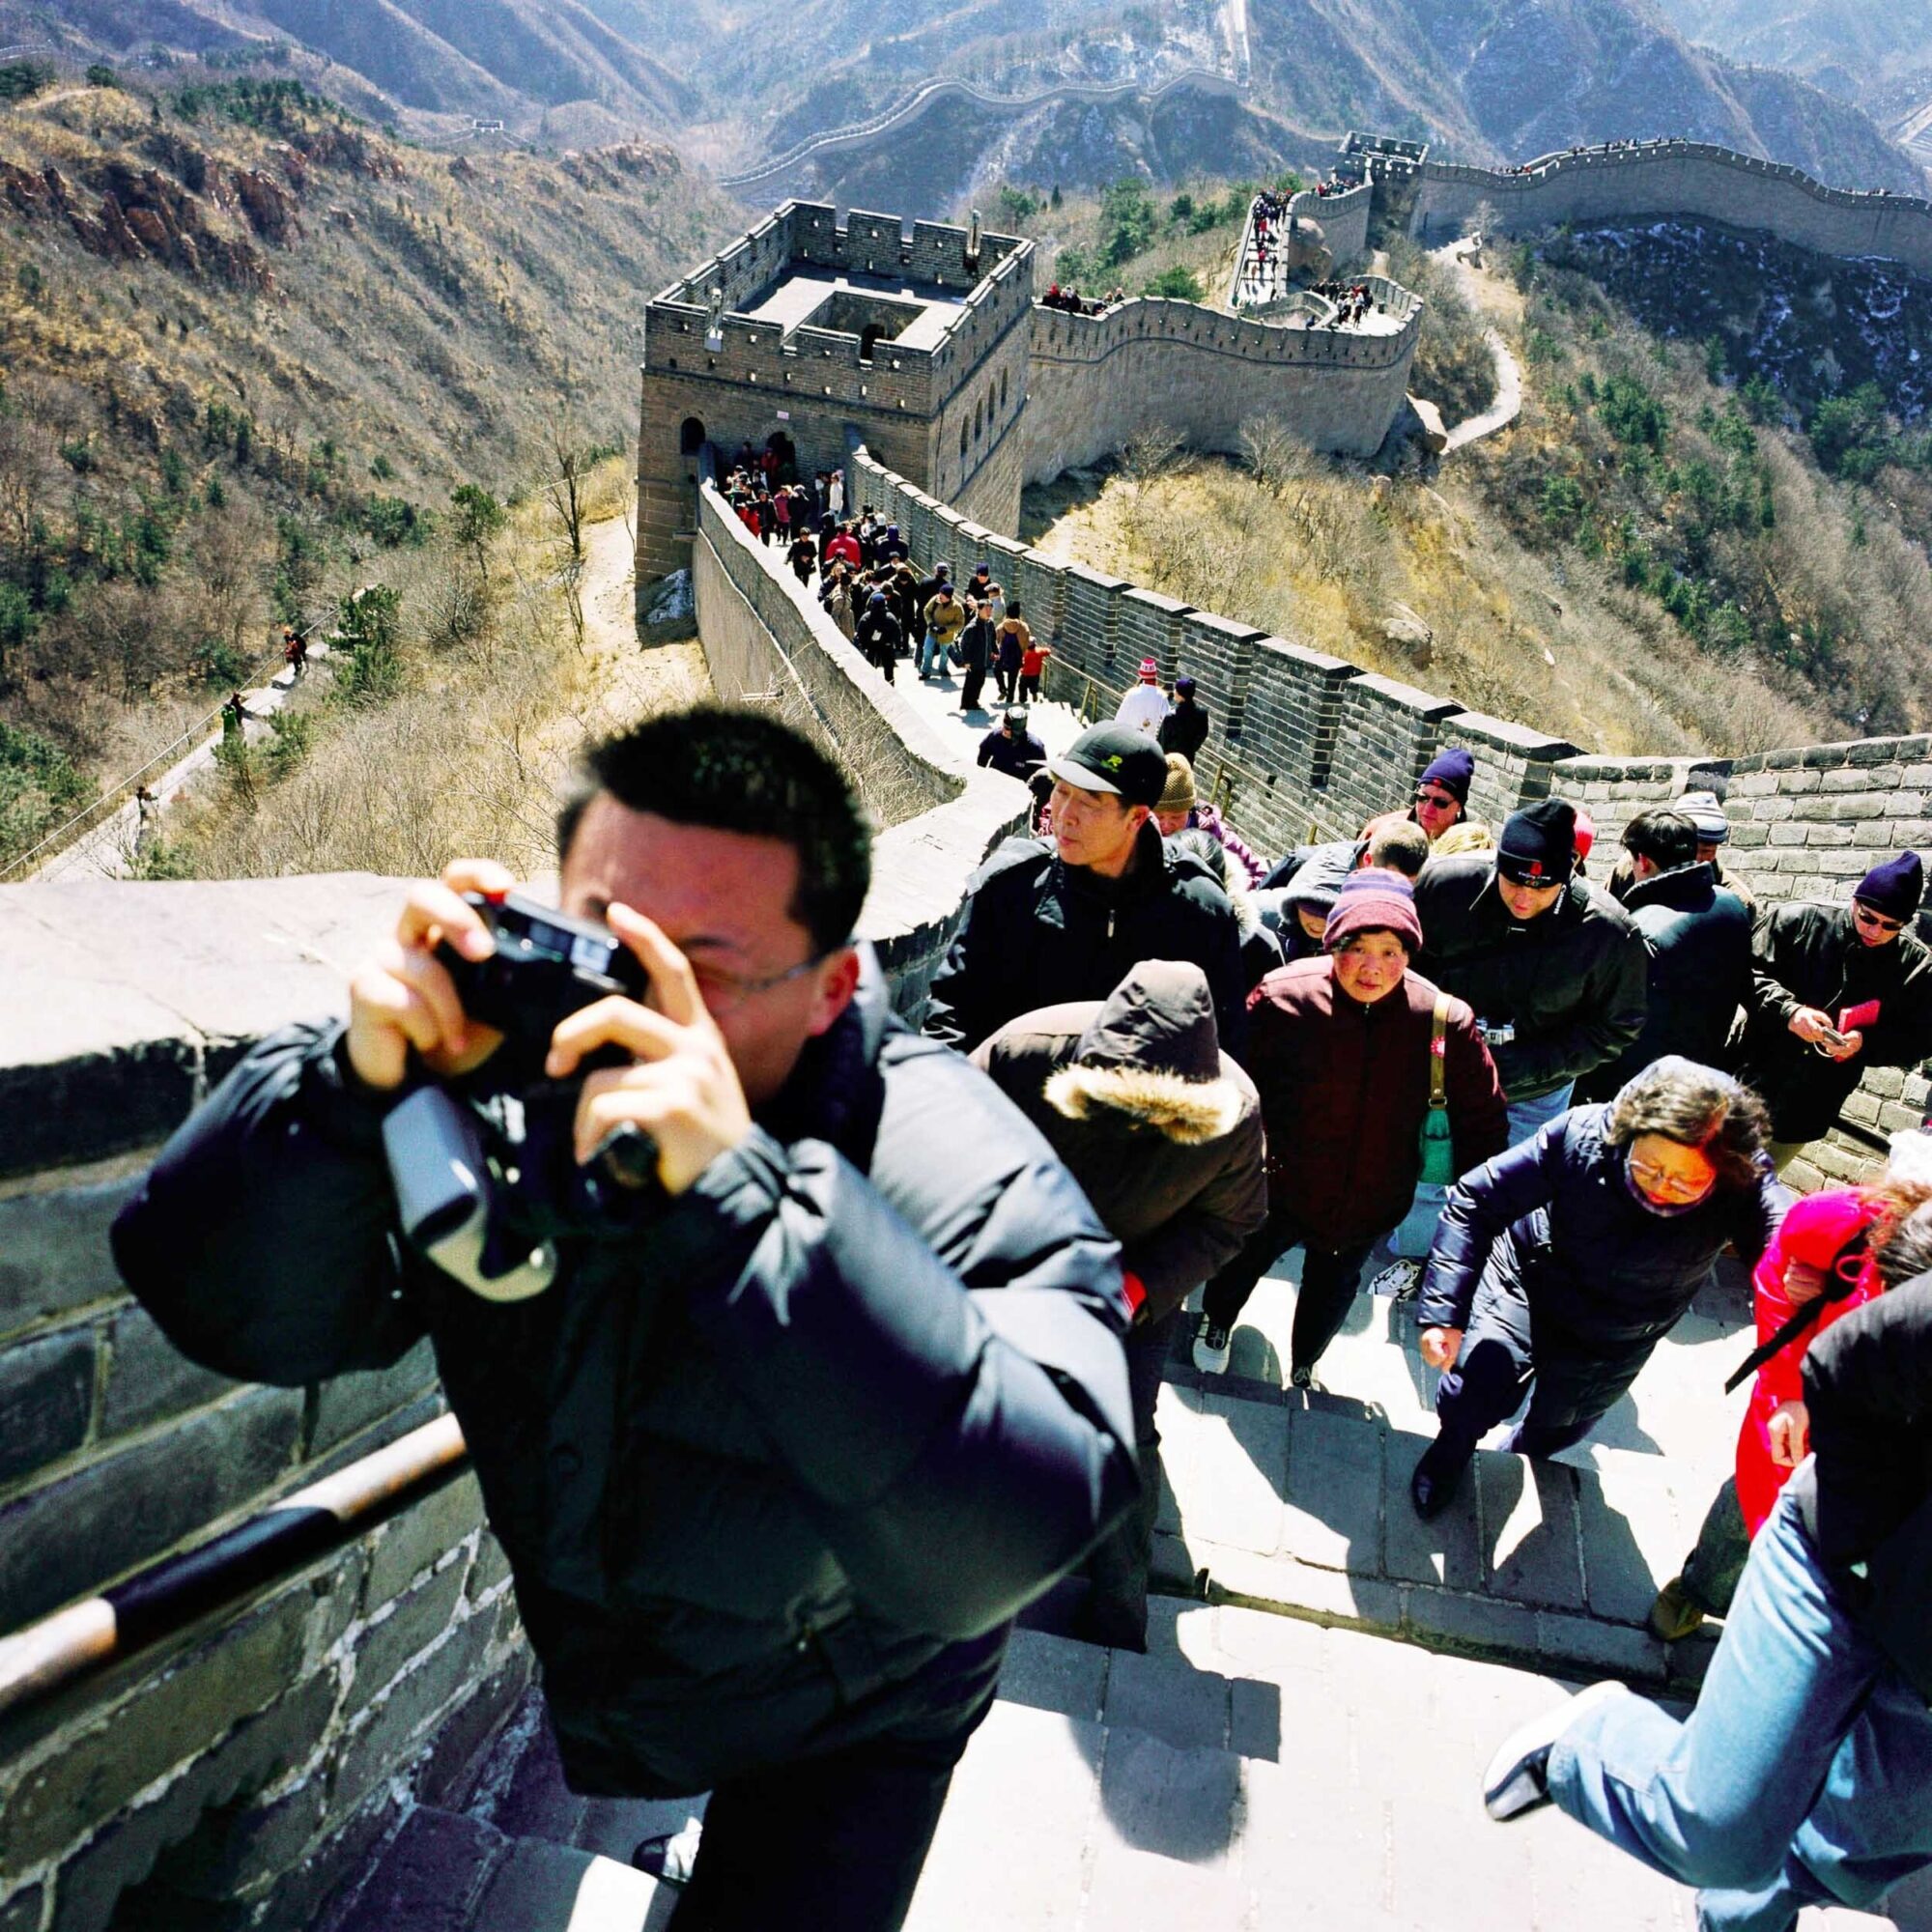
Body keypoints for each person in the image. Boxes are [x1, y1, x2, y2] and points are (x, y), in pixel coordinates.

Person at [110, 706, 1138, 1932]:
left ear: (833, 990)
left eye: (697, 968)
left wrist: (745, 1200)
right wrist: (337, 1093)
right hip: (660, 1642)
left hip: (866, 1697)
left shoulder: (949, 1161)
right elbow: (232, 1316)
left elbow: (1016, 1524)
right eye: (594, 940)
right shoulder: (513, 1082)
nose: (628, 1010)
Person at [1483, 1252, 1932, 1932]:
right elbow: (1851, 1358)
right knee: (1714, 1831)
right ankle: (1590, 1742)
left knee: (1842, 1857)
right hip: (1845, 1561)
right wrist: (1874, 1538)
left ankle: (1739, 1916)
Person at [973, 961, 1267, 1651]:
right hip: (1010, 1267)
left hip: (1132, 1290)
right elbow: (941, 1151)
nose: (1140, 1124)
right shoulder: (1024, 1054)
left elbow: (1231, 1223)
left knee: (1126, 1437)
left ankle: (1118, 1611)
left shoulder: (1233, 1114)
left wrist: (1138, 1288)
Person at [1409, 1058, 1785, 1518]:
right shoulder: (1583, 1135)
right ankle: (1449, 1455)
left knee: (1562, 1425)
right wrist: (1444, 1311)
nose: (1662, 1188)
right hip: (1531, 1278)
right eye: (1648, 1168)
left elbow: (1789, 1257)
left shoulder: (1743, 1178)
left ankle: (1522, 1453)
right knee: (1474, 1387)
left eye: (1687, 1181)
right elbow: (1476, 1200)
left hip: (1625, 1326)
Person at [1192, 870, 1507, 1385]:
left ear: (1410, 953)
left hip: (1371, 1196)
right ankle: (1216, 1323)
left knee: (1334, 1288)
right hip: (1278, 1184)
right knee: (1241, 1262)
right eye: (1356, 947)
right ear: (1332, 941)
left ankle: (1304, 1363)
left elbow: (1484, 1120)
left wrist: (1483, 1212)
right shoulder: (1283, 997)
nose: (1372, 967)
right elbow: (1232, 1081)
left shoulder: (1443, 1020)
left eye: (1390, 951)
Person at [1648, 1126, 1932, 1641]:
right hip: (1810, 1402)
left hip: (1900, 1450)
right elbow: (1780, 1262)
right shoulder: (1853, 1218)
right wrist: (1788, 1392)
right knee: (1749, 1506)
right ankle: (1702, 1589)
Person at [925, 723, 1248, 1058]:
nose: (1065, 815)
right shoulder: (1014, 887)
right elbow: (951, 1014)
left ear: (1137, 818)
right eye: (1061, 791)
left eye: (1089, 803)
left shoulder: (1198, 911)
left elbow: (1222, 1044)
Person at [1412, 798, 1648, 1148]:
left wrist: (1532, 1064)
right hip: (1435, 1071)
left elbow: (1619, 1025)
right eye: (1513, 882)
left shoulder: (1607, 932)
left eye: (1541, 887)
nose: (1524, 897)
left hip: (1533, 1093)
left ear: (1567, 877)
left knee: (1503, 1193)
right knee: (1422, 1185)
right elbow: (1405, 967)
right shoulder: (1446, 886)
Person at [1733, 853, 1932, 1172]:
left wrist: (1865, 1043)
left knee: (1756, 1190)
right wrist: (1789, 1011)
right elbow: (1742, 973)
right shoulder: (1800, 919)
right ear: (1855, 902)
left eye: (1890, 925)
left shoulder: (1916, 965)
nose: (1875, 931)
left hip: (1811, 1101)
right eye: (1868, 917)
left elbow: (1919, 1037)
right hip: (1748, 1074)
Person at [1574, 808, 1751, 1103]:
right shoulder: (1731, 904)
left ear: (1642, 860)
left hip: (1638, 1089)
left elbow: (1613, 1023)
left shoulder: (1640, 931)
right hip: (1697, 1079)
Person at [1151, 754, 1265, 886]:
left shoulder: (1218, 837)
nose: (1166, 824)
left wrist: (1227, 891)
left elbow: (1260, 876)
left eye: (1176, 816)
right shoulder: (1137, 830)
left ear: (1190, 809)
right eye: (1158, 816)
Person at [1363, 748, 1476, 848]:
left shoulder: (1470, 851)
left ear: (1459, 807)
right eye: (1423, 797)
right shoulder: (1382, 831)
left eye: (1441, 803)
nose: (1428, 809)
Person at [977, 706, 1045, 784]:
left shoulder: (1035, 748)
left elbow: (1042, 775)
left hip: (1018, 790)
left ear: (1018, 730)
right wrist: (981, 776)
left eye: (1008, 728)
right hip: (995, 784)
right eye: (1004, 726)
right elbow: (983, 752)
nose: (1004, 730)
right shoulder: (995, 736)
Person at [919, 582, 965, 682]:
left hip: (947, 635)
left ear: (949, 597)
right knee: (927, 650)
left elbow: (960, 623)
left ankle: (943, 669)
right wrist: (930, 623)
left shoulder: (957, 607)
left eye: (942, 596)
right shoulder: (935, 600)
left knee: (944, 653)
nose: (940, 597)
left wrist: (946, 628)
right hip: (932, 632)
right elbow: (926, 610)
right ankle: (925, 671)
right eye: (940, 594)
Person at [1158, 674, 1209, 762]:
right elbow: (1201, 736)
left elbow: (1162, 742)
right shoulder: (1202, 714)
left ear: (1181, 695)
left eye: (1176, 690)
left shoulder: (1171, 717)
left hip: (1169, 759)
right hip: (1188, 759)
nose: (1174, 692)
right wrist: (1190, 750)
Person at [854, 588, 901, 684]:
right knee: (889, 673)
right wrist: (897, 646)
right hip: (887, 647)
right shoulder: (890, 618)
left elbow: (860, 633)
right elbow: (897, 633)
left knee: (870, 672)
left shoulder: (866, 618)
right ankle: (889, 691)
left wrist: (864, 645)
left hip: (871, 647)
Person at [956, 596, 994, 714]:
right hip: (973, 660)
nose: (989, 612)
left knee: (980, 681)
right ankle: (966, 704)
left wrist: (995, 651)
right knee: (971, 682)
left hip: (984, 659)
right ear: (979, 610)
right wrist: (966, 661)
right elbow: (964, 645)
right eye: (986, 610)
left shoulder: (990, 623)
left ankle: (974, 701)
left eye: (990, 609)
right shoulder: (972, 627)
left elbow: (992, 639)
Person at [1115, 659, 1171, 738]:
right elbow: (1168, 719)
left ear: (1140, 675)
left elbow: (1119, 719)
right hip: (1150, 740)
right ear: (1155, 676)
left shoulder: (1131, 694)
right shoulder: (1161, 696)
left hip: (1131, 738)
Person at [993, 604, 1028, 705]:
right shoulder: (1023, 627)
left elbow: (997, 640)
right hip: (1016, 657)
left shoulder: (1002, 626)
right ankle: (1010, 699)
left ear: (1007, 614)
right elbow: (1026, 643)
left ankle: (1003, 688)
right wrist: (1022, 654)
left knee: (996, 670)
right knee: (1012, 679)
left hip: (1003, 656)